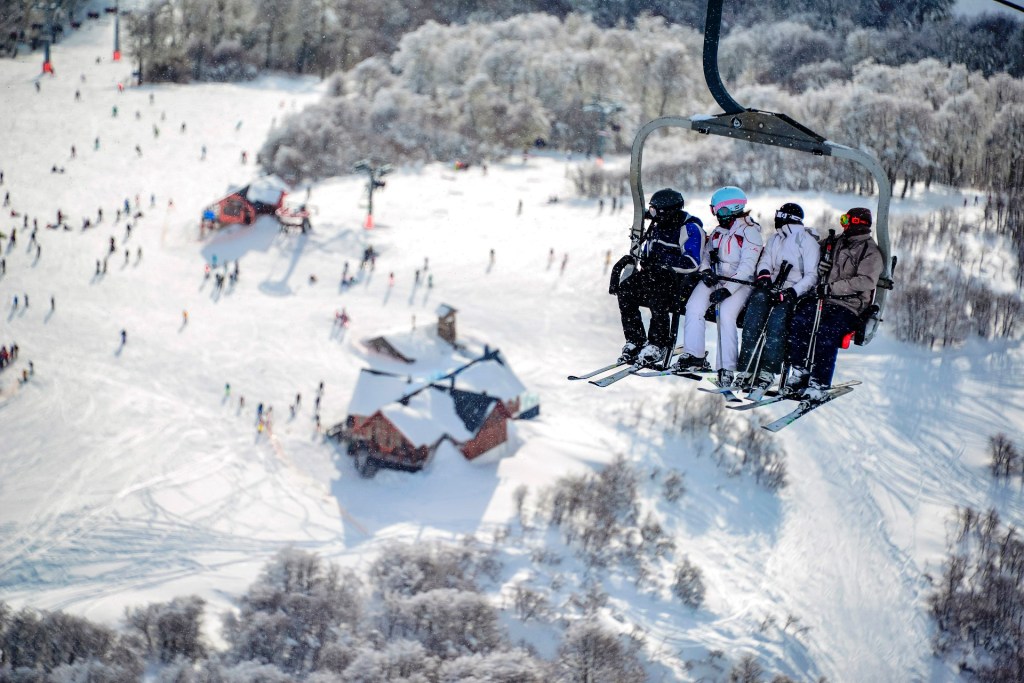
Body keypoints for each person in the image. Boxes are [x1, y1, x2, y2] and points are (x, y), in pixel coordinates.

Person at [784, 207, 883, 400]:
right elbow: (811, 252)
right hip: (823, 299)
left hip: (849, 305)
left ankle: (819, 382)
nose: (843, 224)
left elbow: (865, 281)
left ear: (857, 223)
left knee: (827, 332)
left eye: (846, 220)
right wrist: (819, 264)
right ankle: (799, 370)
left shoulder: (869, 251)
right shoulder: (834, 242)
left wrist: (832, 288)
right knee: (800, 320)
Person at [676, 186, 763, 384]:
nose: (718, 215)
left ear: (734, 209)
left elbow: (748, 267)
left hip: (739, 282)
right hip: (715, 277)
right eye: (715, 210)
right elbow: (706, 254)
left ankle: (727, 366)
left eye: (721, 211)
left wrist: (727, 290)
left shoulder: (750, 233)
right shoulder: (717, 232)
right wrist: (706, 271)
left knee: (725, 314)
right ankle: (694, 356)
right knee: (694, 307)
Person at [734, 203, 820, 396]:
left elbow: (812, 275)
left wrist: (793, 291)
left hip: (792, 291)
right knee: (752, 321)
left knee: (776, 325)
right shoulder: (775, 239)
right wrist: (764, 274)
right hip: (771, 285)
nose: (776, 219)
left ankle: (767, 372)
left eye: (779, 215)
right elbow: (765, 259)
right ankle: (747, 368)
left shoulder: (807, 241)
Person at [612, 188, 704, 367]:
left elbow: (692, 262)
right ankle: (635, 340)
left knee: (657, 293)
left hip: (678, 280)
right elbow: (649, 252)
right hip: (654, 275)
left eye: (655, 210)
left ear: (667, 211)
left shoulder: (690, 228)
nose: (652, 214)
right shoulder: (657, 226)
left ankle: (657, 344)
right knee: (625, 290)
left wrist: (663, 261)